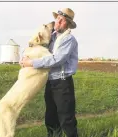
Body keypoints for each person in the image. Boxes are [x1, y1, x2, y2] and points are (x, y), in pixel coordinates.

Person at [20, 8, 78, 137]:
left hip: (63, 84)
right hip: (50, 82)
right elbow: (34, 43)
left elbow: (56, 60)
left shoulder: (69, 39)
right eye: (57, 19)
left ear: (68, 24)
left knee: (66, 119)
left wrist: (32, 63)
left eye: (62, 21)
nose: (58, 22)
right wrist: (24, 57)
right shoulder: (51, 36)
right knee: (51, 117)